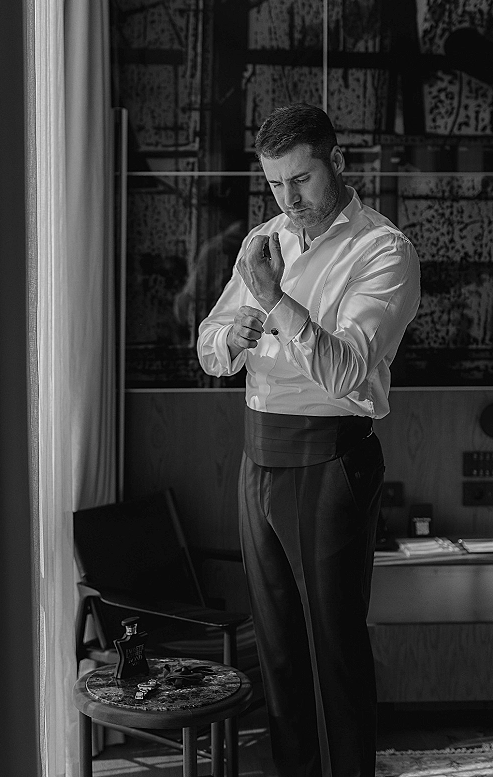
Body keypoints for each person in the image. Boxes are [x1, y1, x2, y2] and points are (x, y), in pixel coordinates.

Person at [197, 103, 421, 777]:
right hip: (257, 456)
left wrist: (271, 303)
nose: (289, 200)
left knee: (334, 651)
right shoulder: (264, 241)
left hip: (330, 458)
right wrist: (233, 338)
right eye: (274, 185)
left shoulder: (383, 251)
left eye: (301, 179)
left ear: (338, 161)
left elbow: (351, 371)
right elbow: (208, 345)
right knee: (278, 655)